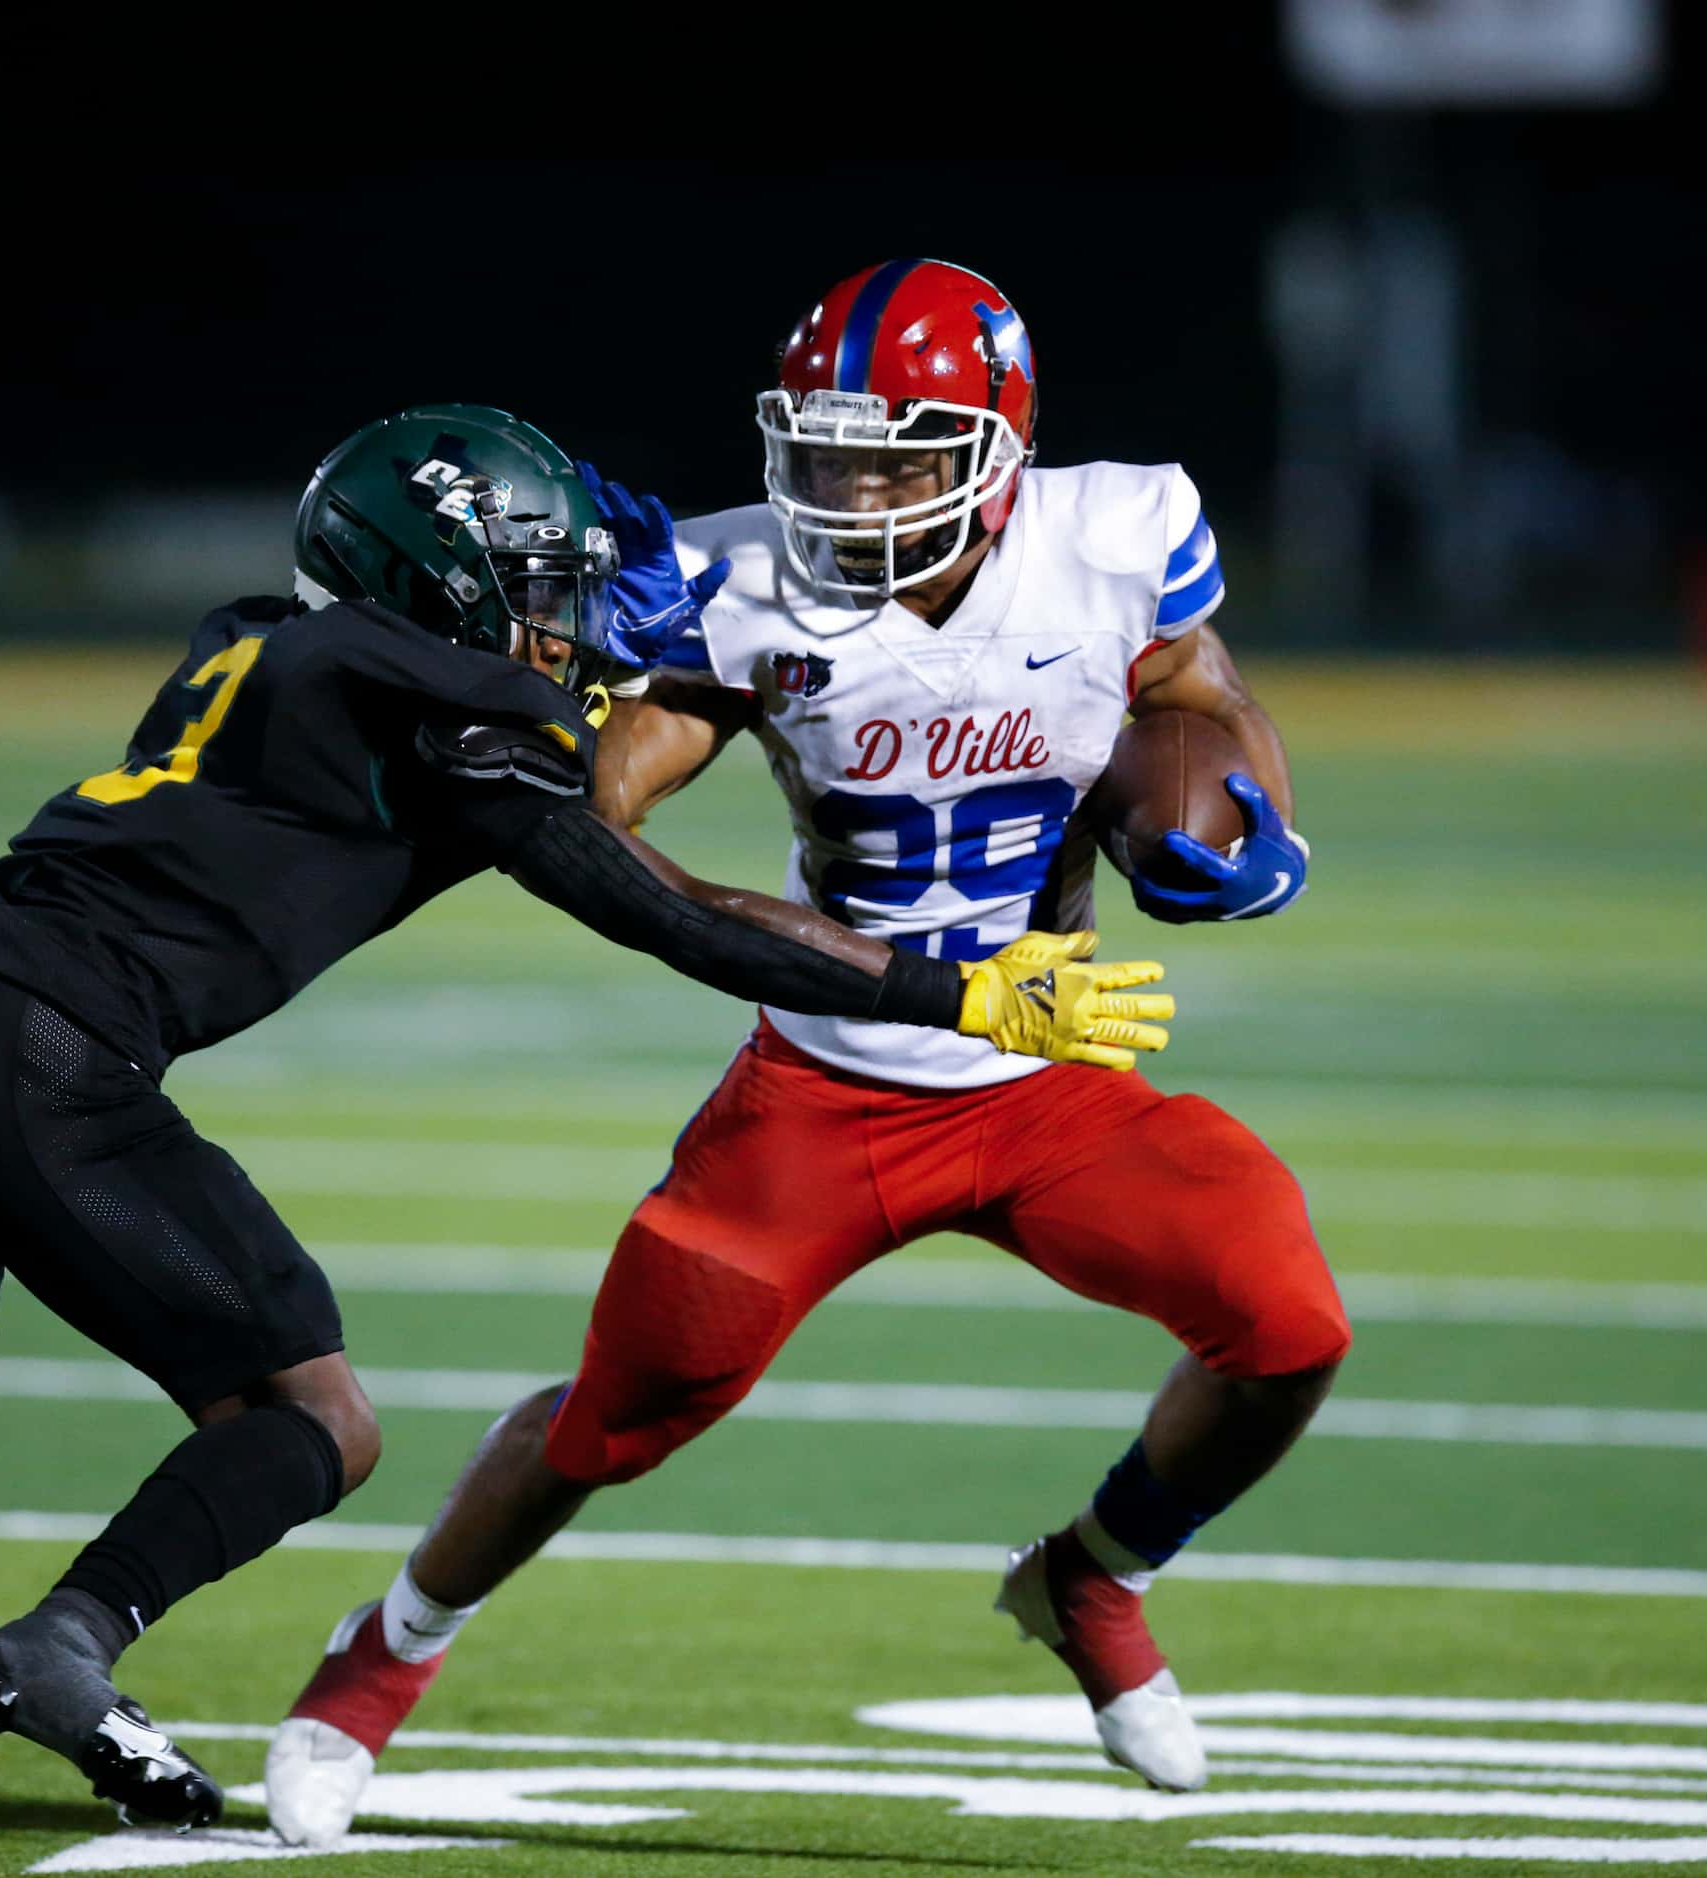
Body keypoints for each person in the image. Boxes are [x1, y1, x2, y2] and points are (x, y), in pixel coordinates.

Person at [0, 403, 1170, 1878]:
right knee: (321, 1417)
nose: (567, 625)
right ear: (444, 587)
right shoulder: (438, 696)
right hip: (42, 1051)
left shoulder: (264, 636)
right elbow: (654, 907)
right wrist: (962, 995)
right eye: (535, 588)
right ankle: (69, 1642)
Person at [269, 269, 1349, 1849]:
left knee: (1288, 1322)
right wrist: (556, 728)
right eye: (827, 452)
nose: (854, 490)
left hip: (1047, 1069)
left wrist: (1242, 805)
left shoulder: (1114, 534)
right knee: (612, 1416)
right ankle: (376, 1663)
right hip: (831, 1075)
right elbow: (605, 805)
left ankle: (1093, 1576)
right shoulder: (741, 581)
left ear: (1001, 444)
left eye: (901, 455)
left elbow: (1196, 688)